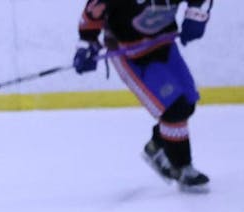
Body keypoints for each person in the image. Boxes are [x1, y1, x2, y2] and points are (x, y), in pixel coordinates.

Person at [74, 0, 212, 192]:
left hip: (164, 44)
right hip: (132, 56)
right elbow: (89, 22)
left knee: (188, 102)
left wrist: (196, 14)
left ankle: (156, 148)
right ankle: (181, 168)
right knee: (174, 109)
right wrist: (86, 48)